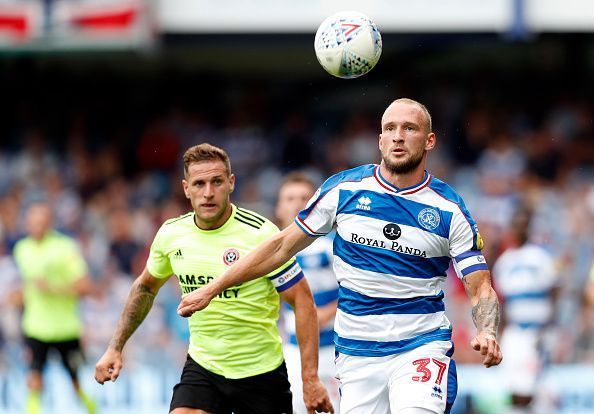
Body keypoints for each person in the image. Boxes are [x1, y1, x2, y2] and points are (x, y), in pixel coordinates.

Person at [178, 98, 503, 414]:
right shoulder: (344, 190)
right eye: (390, 128)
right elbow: (280, 246)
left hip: (421, 345)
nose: (398, 136)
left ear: (429, 140)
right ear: (379, 140)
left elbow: (480, 287)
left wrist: (487, 330)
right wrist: (213, 287)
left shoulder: (449, 209)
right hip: (356, 352)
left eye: (409, 128)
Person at [94, 143, 333, 414]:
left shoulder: (260, 234)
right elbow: (146, 286)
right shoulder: (172, 234)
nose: (208, 193)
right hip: (204, 368)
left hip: (260, 372)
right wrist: (115, 347)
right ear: (186, 188)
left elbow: (302, 301)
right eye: (199, 184)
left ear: (231, 183)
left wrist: (310, 379)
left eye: (217, 182)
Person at [12, 202, 96, 414]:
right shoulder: (22, 249)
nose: (34, 226)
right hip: (35, 326)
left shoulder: (65, 247)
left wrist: (53, 288)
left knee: (76, 382)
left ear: (49, 223)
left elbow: (85, 286)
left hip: (65, 327)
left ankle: (94, 410)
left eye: (39, 222)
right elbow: (27, 283)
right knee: (34, 378)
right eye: (31, 222)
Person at [275, 172, 340, 413]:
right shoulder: (269, 253)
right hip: (293, 351)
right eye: (290, 198)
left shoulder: (334, 245)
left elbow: (361, 289)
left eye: (305, 197)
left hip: (336, 351)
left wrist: (326, 312)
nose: (298, 204)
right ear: (279, 208)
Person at [493, 206, 558, 414]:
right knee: (513, 384)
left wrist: (549, 326)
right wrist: (499, 331)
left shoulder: (541, 257)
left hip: (536, 330)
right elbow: (502, 301)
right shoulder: (505, 262)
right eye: (515, 225)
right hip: (515, 331)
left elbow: (554, 290)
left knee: (531, 386)